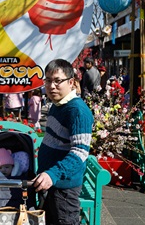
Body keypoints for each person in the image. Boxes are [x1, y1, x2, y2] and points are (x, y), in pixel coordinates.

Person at [33, 59, 94, 225]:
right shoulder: (57, 104)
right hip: (50, 182)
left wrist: (52, 174)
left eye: (58, 81)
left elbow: (79, 153)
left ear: (71, 82)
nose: (52, 86)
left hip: (64, 188)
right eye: (48, 80)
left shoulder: (77, 111)